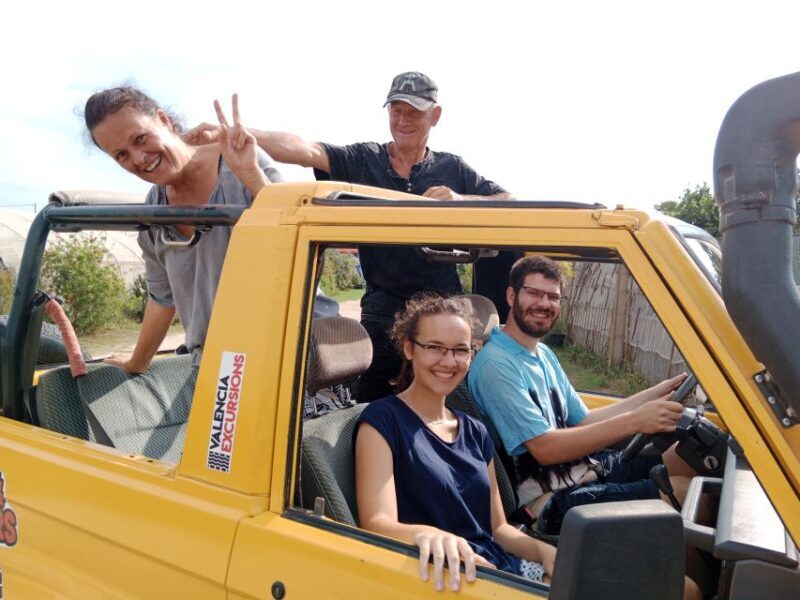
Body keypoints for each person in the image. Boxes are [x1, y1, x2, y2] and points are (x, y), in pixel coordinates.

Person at [184, 72, 513, 402]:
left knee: (461, 408)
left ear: (435, 116)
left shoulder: (453, 169)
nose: (403, 120)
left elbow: (509, 202)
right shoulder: (363, 159)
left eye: (414, 111)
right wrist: (240, 135)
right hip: (384, 315)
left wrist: (460, 199)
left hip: (445, 314)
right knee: (370, 411)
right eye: (396, 110)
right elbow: (306, 149)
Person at [468, 256, 698, 536]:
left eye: (552, 296)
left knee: (688, 454)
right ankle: (689, 576)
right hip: (550, 502)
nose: (544, 303)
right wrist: (636, 421)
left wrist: (658, 393)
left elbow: (583, 420)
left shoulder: (542, 353)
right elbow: (545, 448)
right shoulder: (496, 365)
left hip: (585, 471)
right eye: (534, 293)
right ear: (512, 295)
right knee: (687, 493)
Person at [354, 295, 556, 592]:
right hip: (446, 576)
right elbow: (377, 522)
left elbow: (497, 528)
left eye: (460, 350)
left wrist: (544, 552)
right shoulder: (382, 421)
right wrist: (431, 536)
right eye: (434, 347)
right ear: (409, 349)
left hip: (498, 570)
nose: (449, 362)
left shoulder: (475, 430)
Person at [84, 87, 282, 373]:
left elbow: (299, 245)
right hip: (222, 368)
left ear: (164, 120)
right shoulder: (154, 209)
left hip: (288, 355)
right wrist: (135, 364)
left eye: (140, 138)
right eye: (122, 155)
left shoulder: (241, 162)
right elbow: (163, 298)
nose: (138, 159)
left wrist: (251, 176)